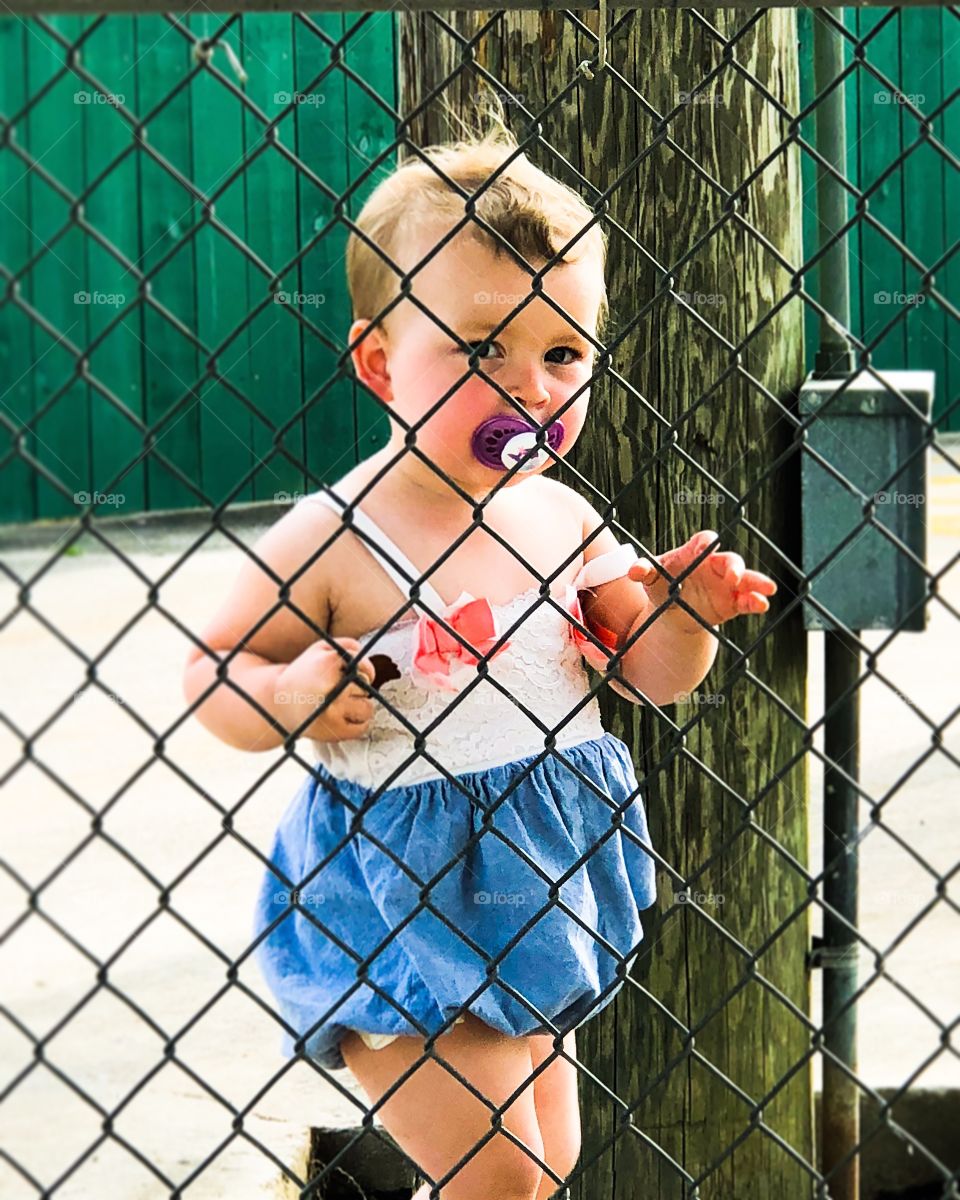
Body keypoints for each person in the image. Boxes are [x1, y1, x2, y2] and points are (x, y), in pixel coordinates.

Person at [182, 116, 777, 1200]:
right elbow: (213, 670)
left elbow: (647, 671)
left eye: (563, 353)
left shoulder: (559, 519)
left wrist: (684, 611)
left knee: (548, 1165)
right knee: (503, 1181)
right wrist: (293, 692)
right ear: (379, 362)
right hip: (398, 897)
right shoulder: (335, 536)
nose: (532, 388)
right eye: (481, 349)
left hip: (539, 876)